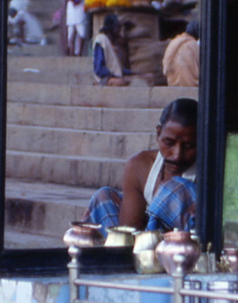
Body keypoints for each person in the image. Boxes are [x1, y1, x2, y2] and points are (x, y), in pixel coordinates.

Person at [83, 98, 198, 234]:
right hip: (143, 245)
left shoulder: (211, 169)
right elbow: (129, 230)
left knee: (174, 187)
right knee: (103, 197)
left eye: (189, 146)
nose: (177, 155)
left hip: (185, 247)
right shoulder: (140, 165)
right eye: (169, 142)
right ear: (158, 134)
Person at [91, 13, 130, 86]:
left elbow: (118, 69)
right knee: (121, 82)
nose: (119, 31)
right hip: (104, 79)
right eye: (117, 28)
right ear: (111, 28)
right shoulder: (101, 40)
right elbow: (98, 68)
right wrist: (112, 75)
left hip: (115, 77)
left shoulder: (113, 44)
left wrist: (137, 73)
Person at [162, 19, 200, 87]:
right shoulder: (192, 44)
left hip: (173, 82)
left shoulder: (175, 41)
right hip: (189, 83)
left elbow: (166, 64)